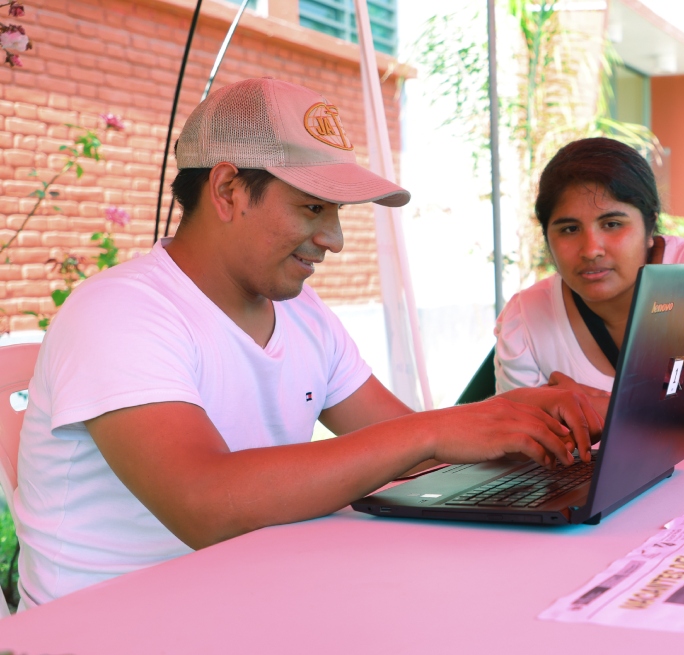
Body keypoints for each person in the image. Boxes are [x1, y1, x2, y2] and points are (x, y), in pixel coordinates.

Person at [12, 78, 600, 609]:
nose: (334, 239)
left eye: (335, 211)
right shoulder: (120, 312)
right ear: (228, 189)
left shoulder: (300, 312)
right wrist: (433, 430)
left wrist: (510, 421)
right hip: (106, 626)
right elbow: (204, 504)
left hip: (248, 599)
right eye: (312, 207)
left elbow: (409, 448)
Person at [494, 137, 684, 436]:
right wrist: (660, 409)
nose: (591, 250)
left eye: (612, 224)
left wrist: (586, 405)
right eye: (569, 229)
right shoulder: (525, 320)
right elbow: (518, 435)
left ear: (649, 225)